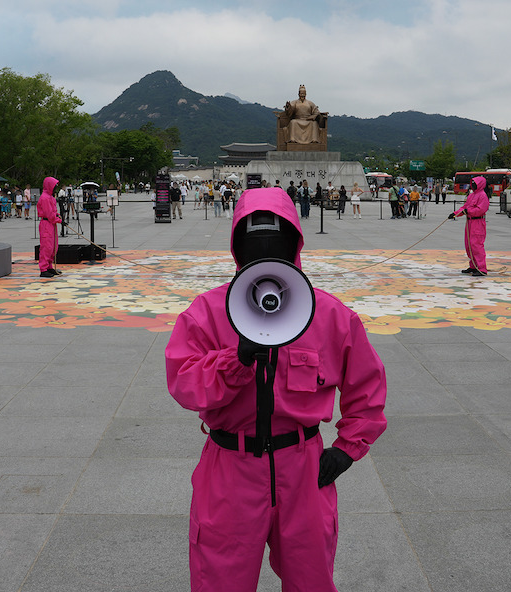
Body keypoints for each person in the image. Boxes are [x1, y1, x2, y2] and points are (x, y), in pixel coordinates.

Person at [165, 187, 387, 592]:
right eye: (254, 248)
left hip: (303, 469)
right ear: (237, 249)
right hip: (229, 470)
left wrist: (347, 448)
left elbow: (367, 387)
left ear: (294, 246)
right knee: (220, 580)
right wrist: (236, 359)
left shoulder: (331, 315)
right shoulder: (206, 313)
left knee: (311, 580)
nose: (265, 256)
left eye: (276, 246)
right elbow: (184, 383)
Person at [448, 175, 489, 275]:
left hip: (478, 222)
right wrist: (455, 213)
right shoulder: (471, 195)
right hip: (470, 222)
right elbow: (464, 207)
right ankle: (473, 266)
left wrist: (468, 211)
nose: (473, 185)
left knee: (476, 245)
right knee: (469, 244)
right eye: (473, 183)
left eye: (475, 183)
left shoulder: (483, 196)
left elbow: (481, 210)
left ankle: (481, 268)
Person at [37, 176, 62, 278]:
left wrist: (58, 217)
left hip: (52, 224)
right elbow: (49, 214)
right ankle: (43, 269)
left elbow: (54, 212)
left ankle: (49, 266)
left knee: (53, 246)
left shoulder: (51, 197)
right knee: (46, 246)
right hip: (47, 224)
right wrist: (58, 220)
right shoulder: (45, 198)